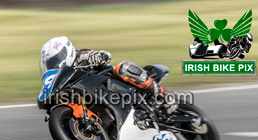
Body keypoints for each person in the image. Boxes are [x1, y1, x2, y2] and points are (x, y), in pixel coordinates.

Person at [40, 36, 176, 113]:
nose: (54, 64)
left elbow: (106, 56)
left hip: (109, 84)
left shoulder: (80, 55)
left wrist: (98, 57)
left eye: (55, 60)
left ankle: (163, 95)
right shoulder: (59, 77)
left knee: (123, 68)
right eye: (50, 63)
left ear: (65, 52)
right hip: (95, 98)